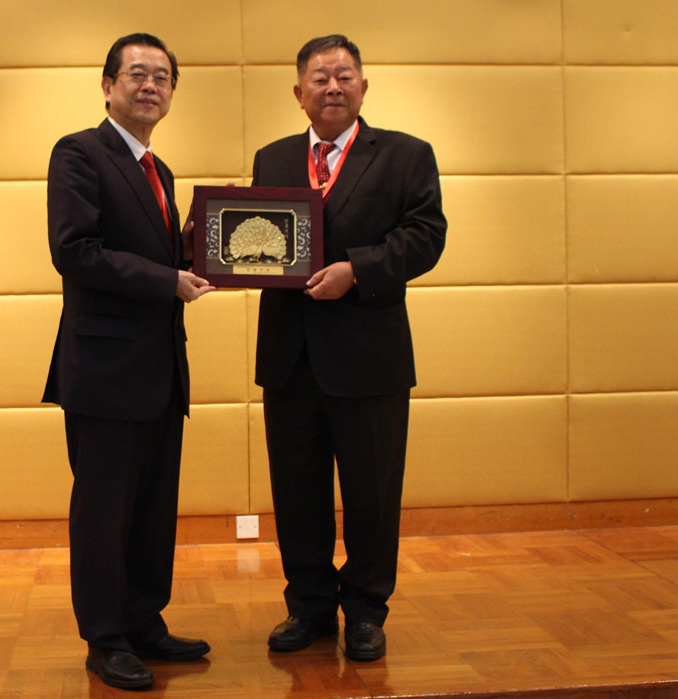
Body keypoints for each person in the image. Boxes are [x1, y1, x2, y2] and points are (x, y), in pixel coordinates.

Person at [252, 35, 446, 662]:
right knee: (296, 491)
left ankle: (365, 611)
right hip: (290, 358)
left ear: (364, 86)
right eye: (319, 77)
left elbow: (426, 236)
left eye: (344, 76)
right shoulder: (272, 158)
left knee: (372, 495)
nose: (332, 87)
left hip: (370, 359)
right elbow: (263, 244)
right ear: (298, 92)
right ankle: (308, 607)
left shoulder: (406, 154)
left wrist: (356, 271)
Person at [42, 33, 215, 691]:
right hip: (105, 371)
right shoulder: (79, 152)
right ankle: (105, 637)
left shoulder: (159, 170)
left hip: (160, 370)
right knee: (104, 511)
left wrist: (191, 252)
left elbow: (147, 257)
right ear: (108, 85)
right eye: (137, 73)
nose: (150, 85)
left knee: (150, 508)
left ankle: (144, 621)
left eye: (163, 77)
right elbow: (75, 251)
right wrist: (169, 279)